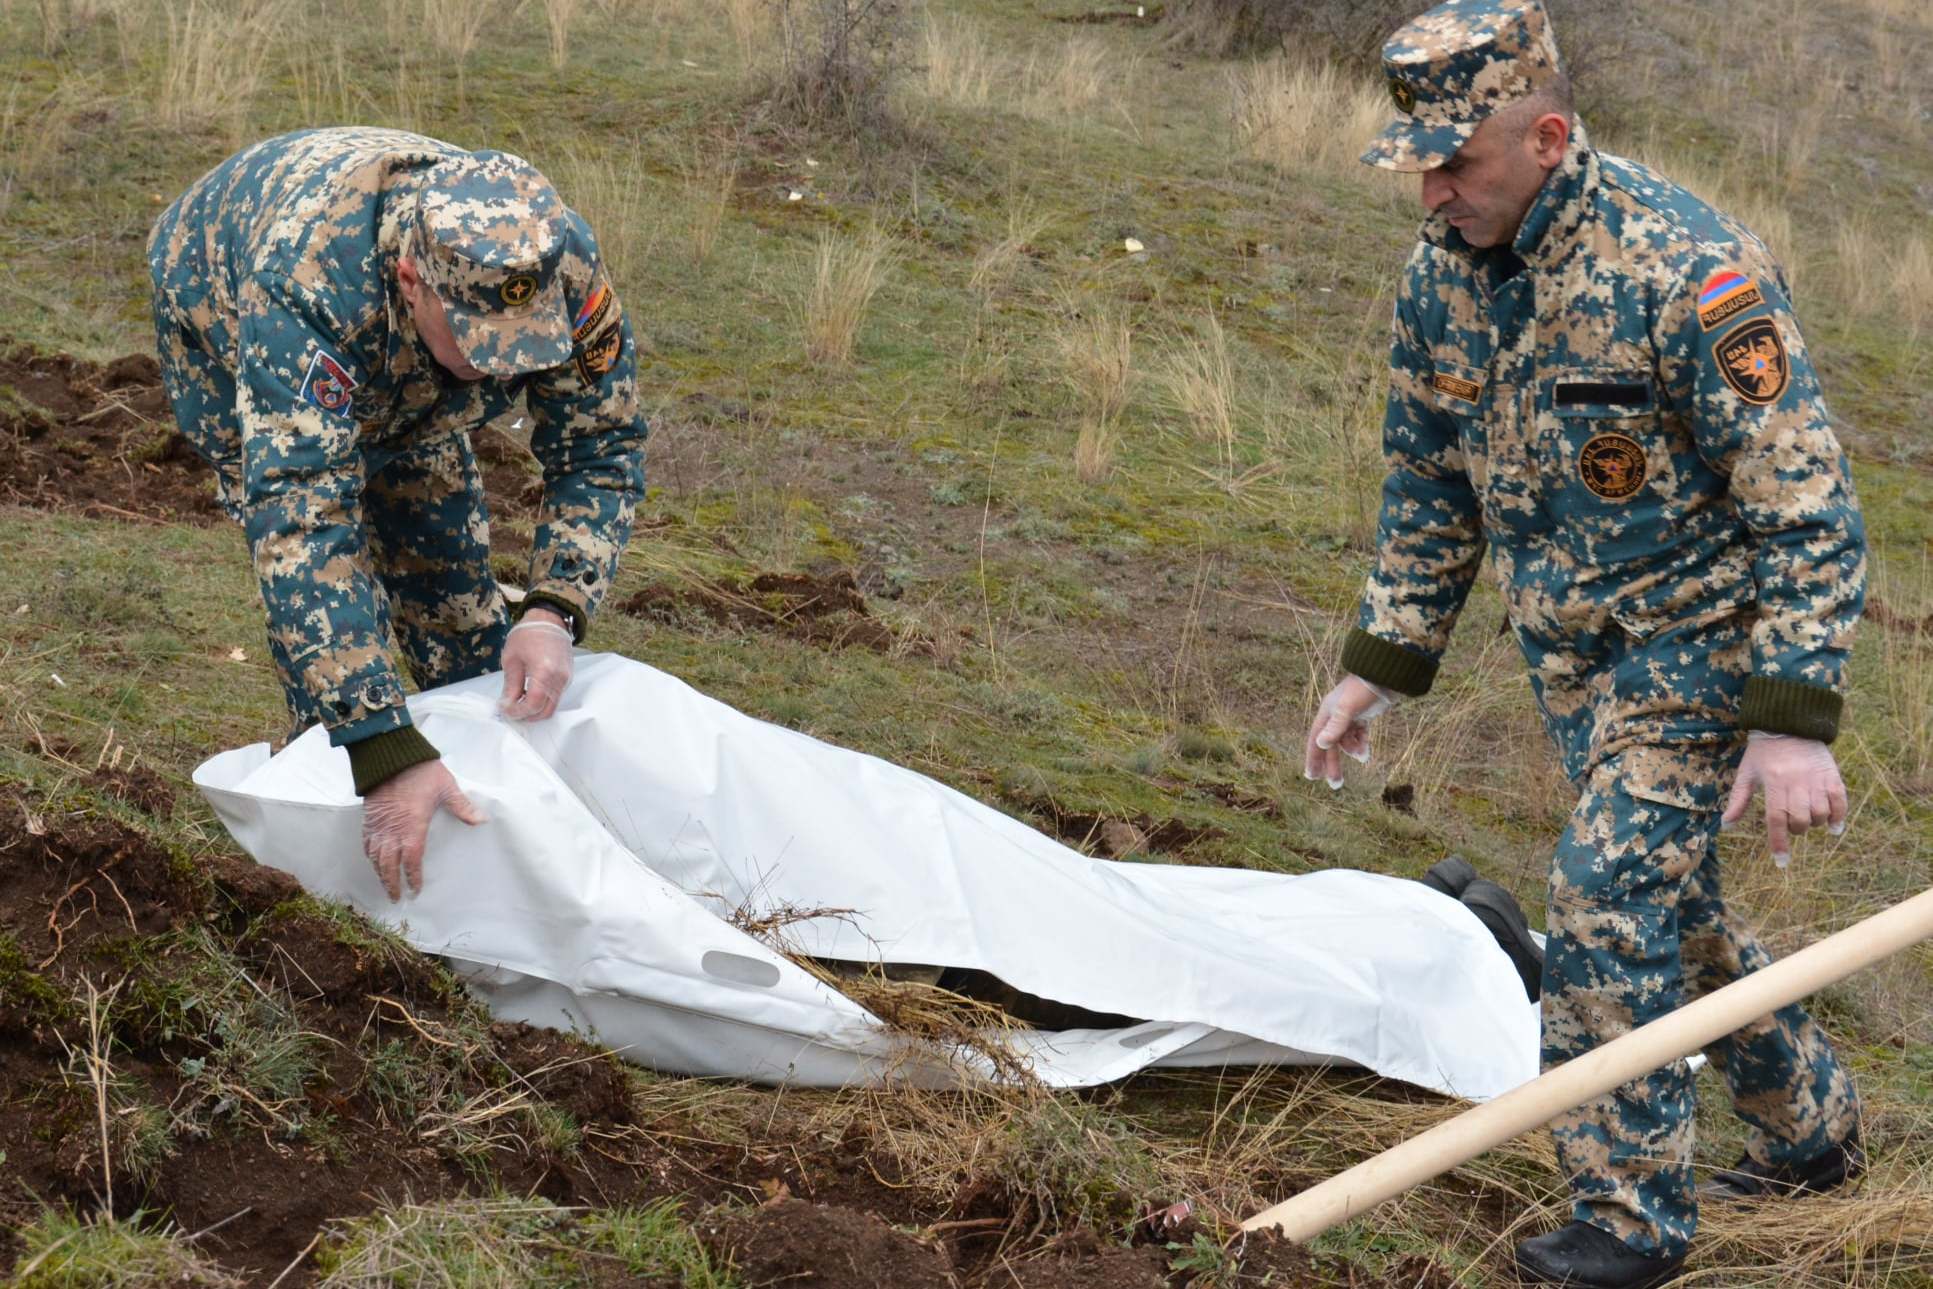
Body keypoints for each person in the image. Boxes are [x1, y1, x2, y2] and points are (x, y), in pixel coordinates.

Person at [1301, 3, 1866, 1285]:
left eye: (1459, 165)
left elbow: (1807, 502)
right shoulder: (1440, 273)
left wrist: (1789, 718)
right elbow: (1427, 481)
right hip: (1572, 658)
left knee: (1606, 907)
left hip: (1701, 643)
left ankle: (1628, 1221)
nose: (1435, 193)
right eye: (1420, 166)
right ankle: (1812, 1128)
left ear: (1547, 136)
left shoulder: (1687, 269)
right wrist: (1377, 661)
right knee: (1679, 909)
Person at [148, 127, 647, 903]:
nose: (503, 366)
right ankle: (331, 858)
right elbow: (303, 521)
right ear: (414, 280)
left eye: (524, 345)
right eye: (481, 341)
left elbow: (601, 447)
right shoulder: (304, 287)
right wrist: (381, 745)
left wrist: (554, 608)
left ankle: (496, 842)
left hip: (400, 360)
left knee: (460, 611)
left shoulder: (555, 262)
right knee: (336, 670)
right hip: (218, 293)